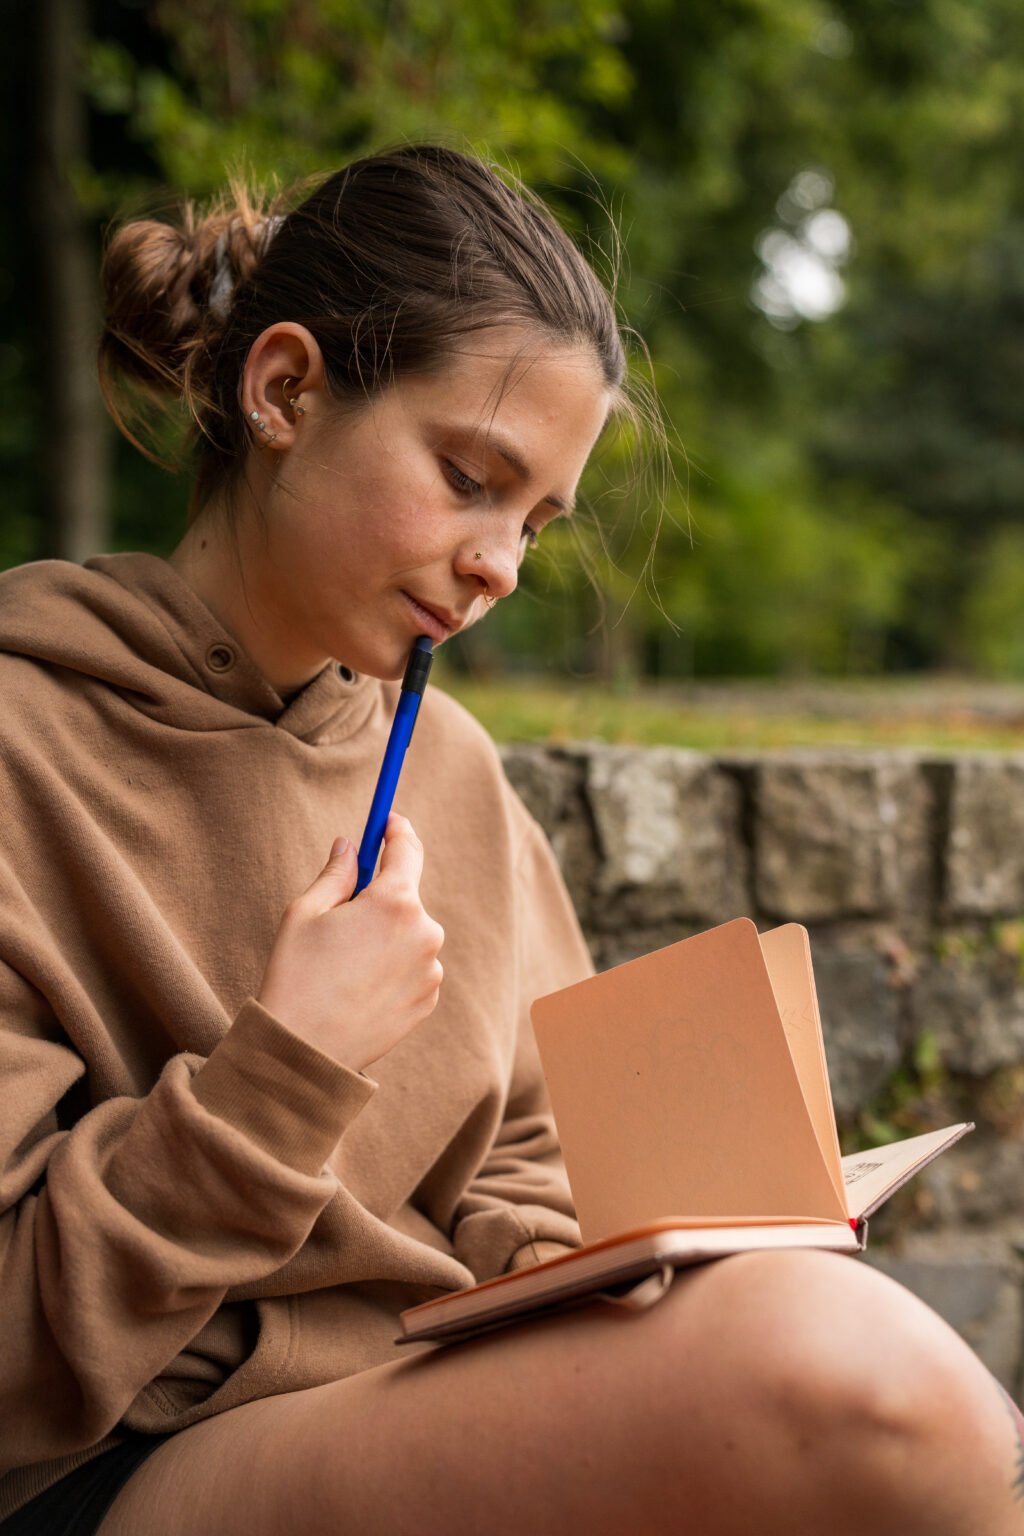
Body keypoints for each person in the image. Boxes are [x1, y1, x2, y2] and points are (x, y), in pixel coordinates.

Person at [0, 143, 1020, 1536]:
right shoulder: (23, 741)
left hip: (425, 1387)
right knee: (856, 1388)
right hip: (126, 1464)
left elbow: (526, 1162)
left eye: (536, 520)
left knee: (830, 1359)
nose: (501, 565)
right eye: (470, 477)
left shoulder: (454, 774)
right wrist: (283, 1073)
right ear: (284, 388)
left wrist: (605, 1254)